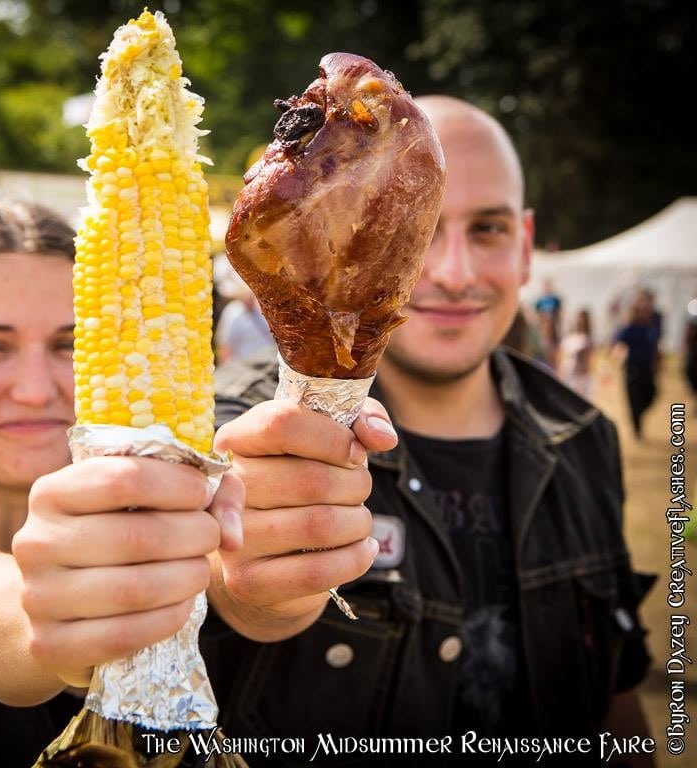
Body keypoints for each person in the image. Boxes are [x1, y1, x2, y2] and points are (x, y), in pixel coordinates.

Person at [0, 201, 388, 767]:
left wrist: (270, 564)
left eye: (70, 343)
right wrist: (49, 622)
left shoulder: (156, 536)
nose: (35, 387)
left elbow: (238, 592)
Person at [202, 96, 654, 765]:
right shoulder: (233, 428)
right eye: (419, 225)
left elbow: (616, 697)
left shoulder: (585, 435)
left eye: (489, 229)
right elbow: (231, 580)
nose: (452, 273)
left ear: (526, 248)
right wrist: (252, 576)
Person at [611, 290, 662, 439]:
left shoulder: (651, 327)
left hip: (647, 368)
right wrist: (616, 357)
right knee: (633, 400)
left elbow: (655, 346)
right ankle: (637, 426)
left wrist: (657, 362)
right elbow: (617, 344)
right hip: (632, 368)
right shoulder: (628, 328)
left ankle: (639, 414)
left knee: (652, 395)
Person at [215, 285, 276, 364]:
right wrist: (225, 366)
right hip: (244, 365)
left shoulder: (262, 311)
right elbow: (225, 344)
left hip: (267, 362)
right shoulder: (233, 312)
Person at [559, 308, 595, 398]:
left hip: (581, 378)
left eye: (583, 319)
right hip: (568, 376)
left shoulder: (588, 339)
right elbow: (561, 358)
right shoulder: (568, 338)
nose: (580, 321)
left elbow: (588, 360)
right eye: (579, 319)